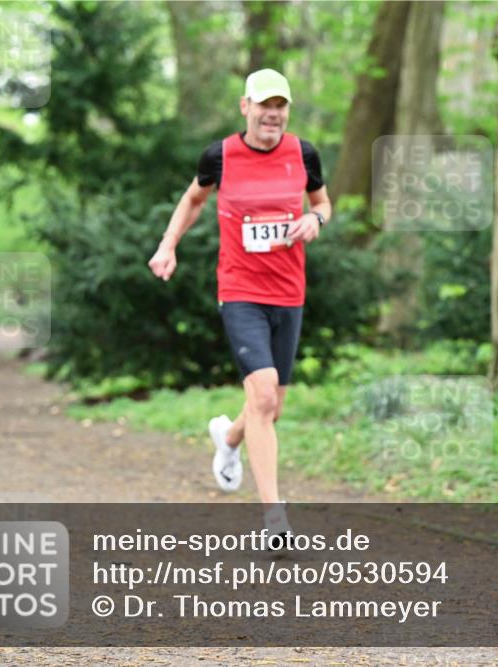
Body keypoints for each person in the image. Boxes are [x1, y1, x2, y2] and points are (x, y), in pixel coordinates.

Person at [148, 69, 331, 543]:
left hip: (289, 293)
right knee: (264, 396)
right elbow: (192, 200)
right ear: (245, 105)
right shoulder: (221, 155)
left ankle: (228, 439)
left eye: (281, 105)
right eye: (264, 104)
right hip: (241, 291)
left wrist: (315, 219)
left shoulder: (303, 153)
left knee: (271, 407)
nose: (273, 113)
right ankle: (275, 518)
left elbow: (324, 203)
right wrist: (168, 245)